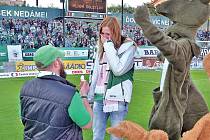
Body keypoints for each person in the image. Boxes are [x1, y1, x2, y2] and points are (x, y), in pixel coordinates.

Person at [134, 1, 209, 140]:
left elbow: (172, 49)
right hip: (167, 106)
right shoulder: (180, 43)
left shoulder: (185, 44)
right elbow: (170, 50)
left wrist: (146, 24)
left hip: (170, 115)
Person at [20, 45, 93, 140]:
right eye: (60, 59)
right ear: (56, 63)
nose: (62, 62)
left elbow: (24, 119)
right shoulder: (70, 93)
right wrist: (83, 95)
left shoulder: (26, 87)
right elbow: (88, 124)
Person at [88, 16, 137, 140]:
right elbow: (95, 74)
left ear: (115, 33)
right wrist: (89, 96)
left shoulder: (128, 47)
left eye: (108, 34)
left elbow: (118, 70)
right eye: (102, 34)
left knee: (115, 138)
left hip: (118, 100)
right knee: (97, 136)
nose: (105, 37)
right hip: (99, 97)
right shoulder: (100, 48)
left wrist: (108, 46)